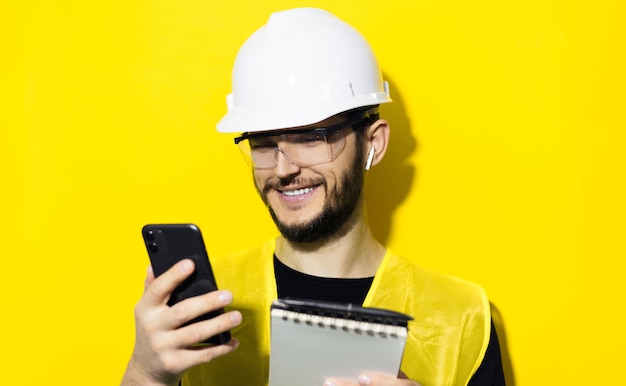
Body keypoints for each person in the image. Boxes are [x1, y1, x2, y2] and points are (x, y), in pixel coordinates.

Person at [121, 7, 505, 386]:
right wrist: (145, 373)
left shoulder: (461, 318)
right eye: (263, 143)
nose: (283, 168)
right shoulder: (204, 305)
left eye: (311, 137)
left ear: (374, 142)